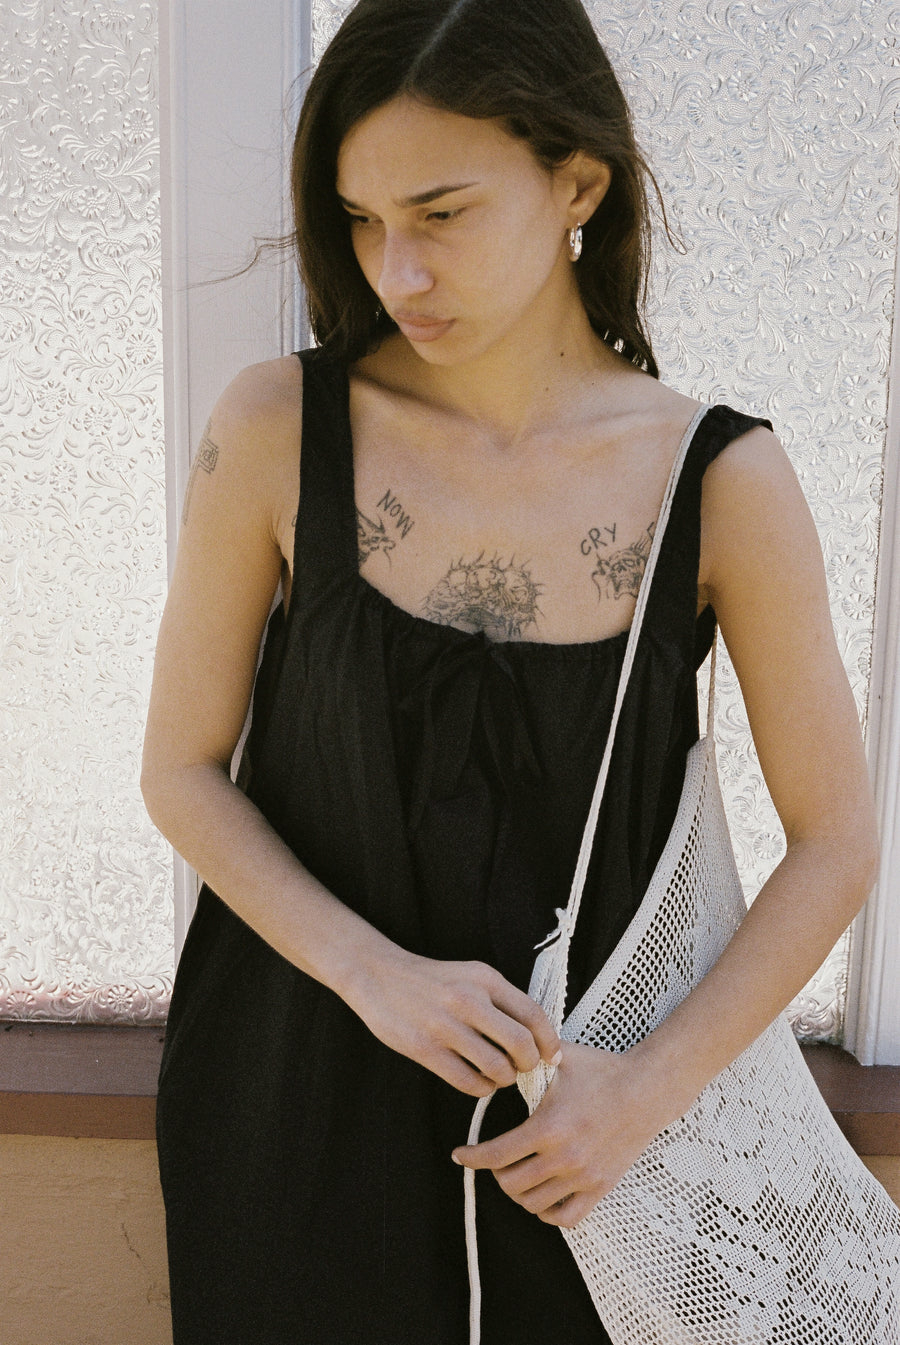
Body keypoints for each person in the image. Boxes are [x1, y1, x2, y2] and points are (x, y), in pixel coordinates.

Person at [141, 1, 880, 1341]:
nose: (396, 271)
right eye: (363, 221)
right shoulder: (274, 429)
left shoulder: (719, 481)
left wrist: (643, 1092)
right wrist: (372, 973)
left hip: (584, 1140)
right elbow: (180, 771)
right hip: (291, 1101)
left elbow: (837, 843)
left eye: (441, 213)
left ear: (576, 184)